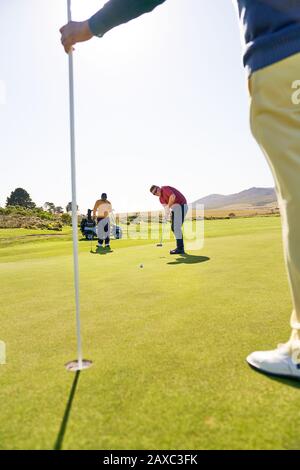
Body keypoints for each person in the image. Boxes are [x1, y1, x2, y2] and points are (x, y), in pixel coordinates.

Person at [60, 2, 300, 379]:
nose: (155, 189)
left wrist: (92, 25)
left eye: (155, 186)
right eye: (154, 188)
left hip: (284, 57)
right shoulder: (159, 193)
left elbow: (173, 199)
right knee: (176, 231)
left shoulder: (165, 191)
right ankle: (178, 247)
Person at [150, 185, 187, 255]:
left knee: (176, 228)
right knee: (174, 228)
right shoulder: (161, 199)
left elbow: (172, 196)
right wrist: (166, 215)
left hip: (182, 205)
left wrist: (168, 207)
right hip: (175, 209)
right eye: (154, 193)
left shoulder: (164, 188)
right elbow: (166, 209)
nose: (156, 193)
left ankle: (180, 249)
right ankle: (180, 248)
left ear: (159, 188)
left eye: (156, 191)